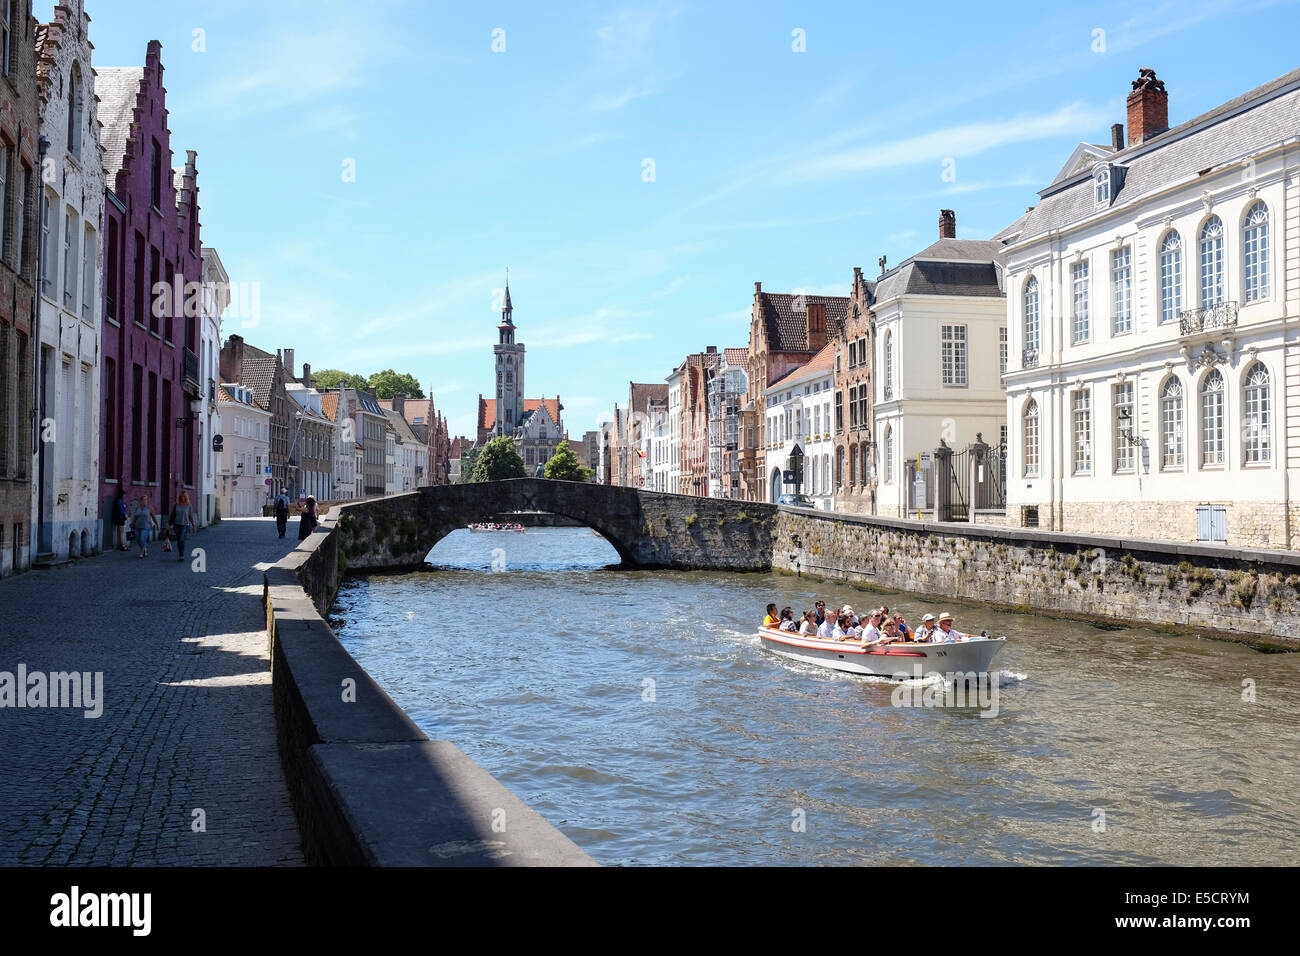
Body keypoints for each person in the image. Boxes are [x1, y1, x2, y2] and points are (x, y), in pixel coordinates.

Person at [170, 491, 197, 562]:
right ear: (179, 497)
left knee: (181, 539)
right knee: (179, 540)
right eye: (181, 496)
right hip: (176, 525)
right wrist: (168, 523)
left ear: (186, 497)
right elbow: (172, 515)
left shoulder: (189, 505)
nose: (183, 498)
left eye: (184, 496)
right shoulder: (176, 504)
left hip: (185, 525)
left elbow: (190, 516)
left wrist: (193, 525)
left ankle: (181, 555)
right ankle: (180, 554)